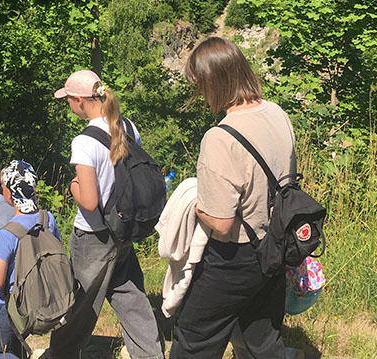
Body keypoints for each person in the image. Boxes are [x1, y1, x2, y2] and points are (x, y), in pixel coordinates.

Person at [171, 37, 296, 359]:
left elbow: (223, 224)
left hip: (235, 257)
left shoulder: (220, 137)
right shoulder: (277, 113)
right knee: (261, 338)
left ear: (214, 82)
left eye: (199, 85)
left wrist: (195, 206)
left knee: (194, 337)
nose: (199, 93)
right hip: (277, 247)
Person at [48, 70, 163, 359]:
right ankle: (149, 354)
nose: (69, 106)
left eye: (69, 100)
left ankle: (61, 354)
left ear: (79, 101)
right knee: (127, 292)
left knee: (81, 302)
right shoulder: (126, 126)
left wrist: (73, 185)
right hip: (122, 229)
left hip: (93, 236)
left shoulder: (84, 142)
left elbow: (88, 202)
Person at [0, 160, 61, 359]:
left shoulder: (7, 234)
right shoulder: (47, 219)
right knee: (17, 343)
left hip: (11, 306)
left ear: (9, 194)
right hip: (40, 298)